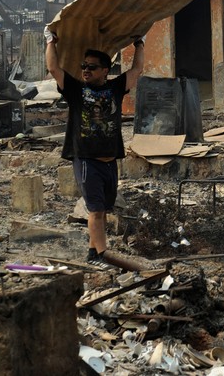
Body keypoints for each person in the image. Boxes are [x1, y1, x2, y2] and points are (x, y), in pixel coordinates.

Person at [44, 26, 145, 268]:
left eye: (92, 67)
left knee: (104, 209)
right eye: (84, 66)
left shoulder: (115, 89)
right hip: (86, 159)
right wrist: (50, 41)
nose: (86, 70)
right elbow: (53, 69)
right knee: (96, 211)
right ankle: (102, 257)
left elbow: (137, 69)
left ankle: (92, 251)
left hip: (110, 161)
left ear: (105, 71)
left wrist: (139, 44)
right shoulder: (77, 90)